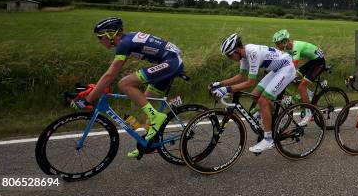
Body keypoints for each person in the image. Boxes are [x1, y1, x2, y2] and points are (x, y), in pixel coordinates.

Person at [71, 17, 184, 158]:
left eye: (100, 37)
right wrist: (95, 90)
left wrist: (88, 99)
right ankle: (147, 144)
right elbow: (109, 75)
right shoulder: (127, 40)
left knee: (124, 83)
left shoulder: (124, 44)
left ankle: (157, 117)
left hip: (171, 62)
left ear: (111, 34)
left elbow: (109, 76)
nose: (99, 41)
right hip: (169, 61)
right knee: (146, 104)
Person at [211, 33, 296, 153]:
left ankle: (268, 139)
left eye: (229, 56)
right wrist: (220, 84)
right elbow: (241, 76)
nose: (230, 59)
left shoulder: (252, 53)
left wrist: (227, 89)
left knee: (263, 100)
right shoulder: (244, 54)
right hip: (277, 69)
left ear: (236, 50)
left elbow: (249, 82)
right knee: (255, 95)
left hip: (286, 68)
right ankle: (273, 118)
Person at [272, 29, 326, 126]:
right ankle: (308, 94)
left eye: (277, 43)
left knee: (301, 86)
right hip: (312, 61)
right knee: (294, 77)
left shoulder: (295, 47)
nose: (276, 46)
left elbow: (293, 65)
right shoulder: (289, 47)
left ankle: (309, 114)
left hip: (319, 63)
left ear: (284, 42)